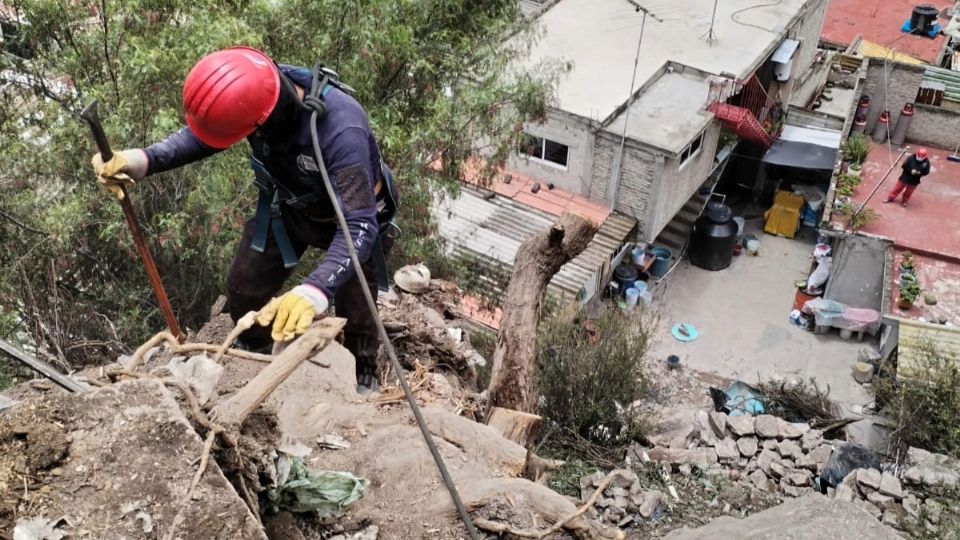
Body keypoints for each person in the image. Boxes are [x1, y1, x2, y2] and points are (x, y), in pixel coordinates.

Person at [91, 47, 398, 393]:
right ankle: (255, 344)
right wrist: (143, 160)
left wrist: (314, 290)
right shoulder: (255, 95)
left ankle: (362, 366)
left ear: (266, 116)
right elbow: (204, 136)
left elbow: (359, 225)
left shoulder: (342, 130)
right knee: (243, 284)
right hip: (293, 209)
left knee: (358, 305)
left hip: (352, 220)